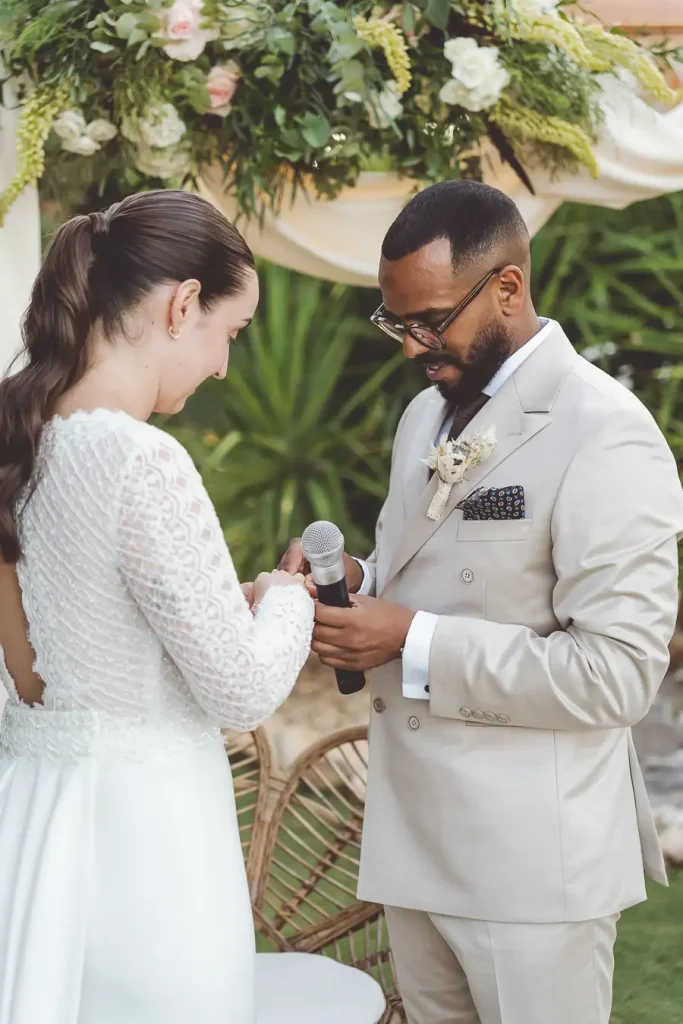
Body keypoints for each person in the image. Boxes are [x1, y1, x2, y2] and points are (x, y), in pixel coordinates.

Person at [281, 180, 683, 1024]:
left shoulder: (603, 430)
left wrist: (410, 639)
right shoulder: (422, 416)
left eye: (431, 320)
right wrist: (357, 584)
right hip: (414, 843)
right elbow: (421, 573)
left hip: (531, 866)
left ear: (506, 286)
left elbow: (615, 676)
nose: (411, 347)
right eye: (396, 323)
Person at [0, 190, 314, 1024]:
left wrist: (225, 602)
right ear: (182, 304)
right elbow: (242, 690)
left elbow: (53, 654)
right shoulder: (139, 459)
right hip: (145, 842)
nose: (221, 364)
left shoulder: (23, 441)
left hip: (36, 819)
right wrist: (286, 600)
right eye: (230, 332)